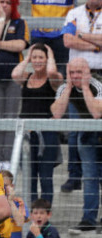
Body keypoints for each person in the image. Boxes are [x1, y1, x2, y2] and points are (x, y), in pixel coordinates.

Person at [51, 57, 102, 234]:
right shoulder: (67, 87)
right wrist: (69, 87)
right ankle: (88, 220)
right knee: (89, 177)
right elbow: (57, 113)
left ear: (88, 72)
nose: (75, 76)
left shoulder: (98, 84)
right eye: (72, 73)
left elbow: (97, 113)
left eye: (79, 72)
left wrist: (86, 87)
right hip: (87, 134)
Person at [11, 43, 63, 204]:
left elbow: (53, 72)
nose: (37, 61)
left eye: (41, 57)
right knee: (29, 177)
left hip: (46, 134)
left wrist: (51, 55)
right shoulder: (26, 77)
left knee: (45, 177)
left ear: (47, 60)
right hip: (27, 134)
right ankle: (31, 214)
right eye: (35, 57)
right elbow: (14, 74)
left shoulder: (53, 80)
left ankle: (45, 214)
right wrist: (27, 57)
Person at [60, 0, 102, 193]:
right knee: (76, 129)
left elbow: (76, 37)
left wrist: (83, 35)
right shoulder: (73, 13)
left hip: (100, 74)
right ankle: (74, 175)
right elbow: (68, 40)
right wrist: (95, 44)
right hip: (77, 76)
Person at [0, 0, 29, 170]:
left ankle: (8, 159)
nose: (4, 5)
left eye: (8, 2)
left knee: (10, 117)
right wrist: (1, 19)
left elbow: (21, 45)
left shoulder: (20, 23)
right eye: (1, 2)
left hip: (14, 78)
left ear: (14, 5)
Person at [1, 170, 28, 238]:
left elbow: (20, 222)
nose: (2, 189)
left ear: (12, 186)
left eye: (5, 186)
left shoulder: (19, 203)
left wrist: (10, 202)